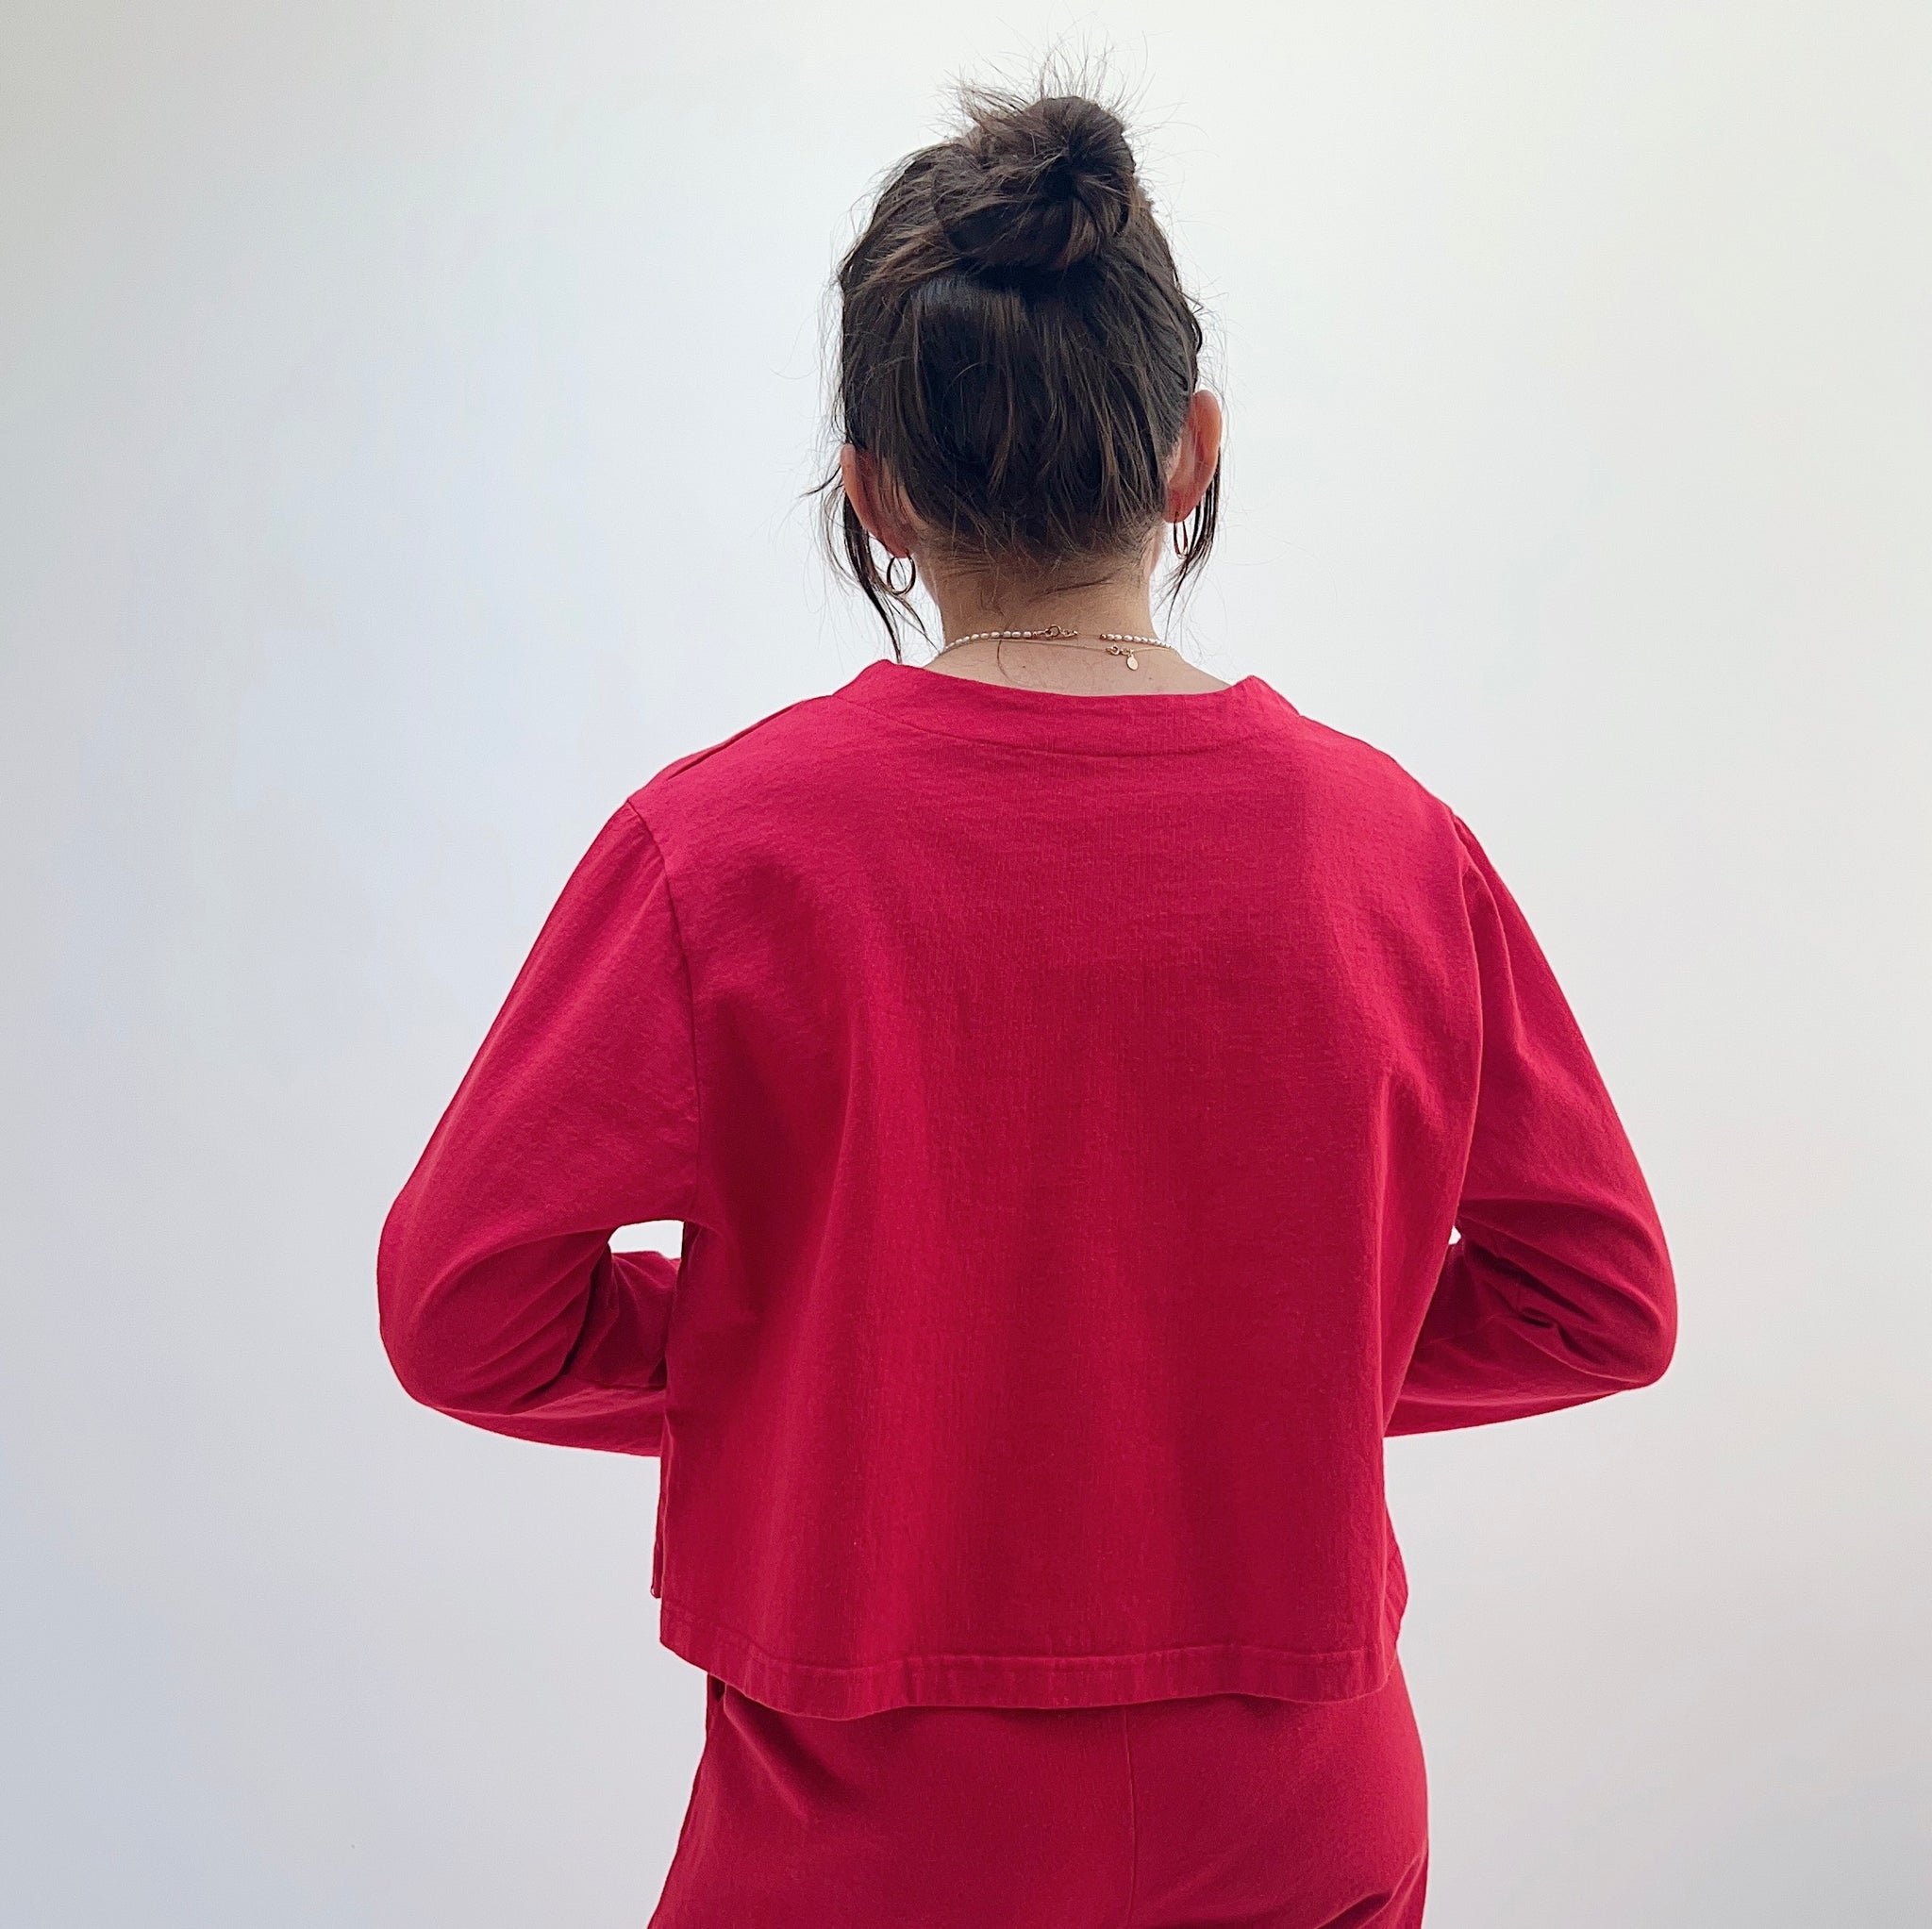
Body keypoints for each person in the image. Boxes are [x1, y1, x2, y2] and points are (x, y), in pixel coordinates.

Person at [377, 81, 1676, 1929]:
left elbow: (464, 1313)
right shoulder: (1394, 850)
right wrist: (1231, 1373)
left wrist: (826, 1357)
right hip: (1299, 1818)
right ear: (1191, 452)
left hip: (861, 1838)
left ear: (875, 489)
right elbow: (1594, 1299)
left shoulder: (721, 850)